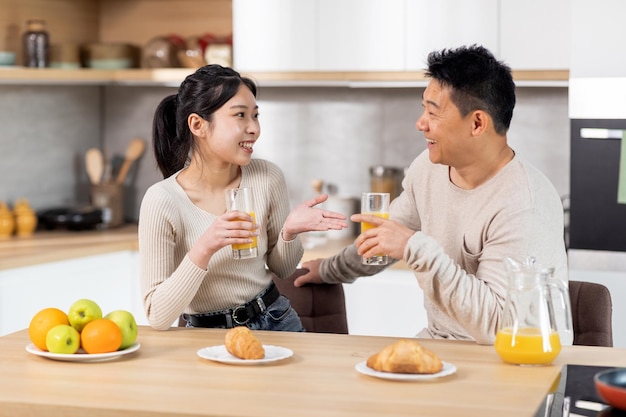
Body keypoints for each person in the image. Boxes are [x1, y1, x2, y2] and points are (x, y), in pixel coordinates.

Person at [294, 45, 568, 344]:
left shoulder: (523, 204)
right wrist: (329, 269)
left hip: (507, 361)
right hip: (441, 346)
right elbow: (385, 239)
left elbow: (498, 326)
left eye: (433, 112)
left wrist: (415, 248)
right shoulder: (428, 168)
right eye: (423, 108)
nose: (420, 123)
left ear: (477, 123)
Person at [139, 64, 348, 331]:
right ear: (198, 125)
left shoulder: (267, 177)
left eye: (256, 116)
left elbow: (282, 269)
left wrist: (289, 232)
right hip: (204, 335)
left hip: (276, 320)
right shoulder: (162, 200)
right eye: (240, 115)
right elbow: (157, 316)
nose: (254, 129)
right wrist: (206, 246)